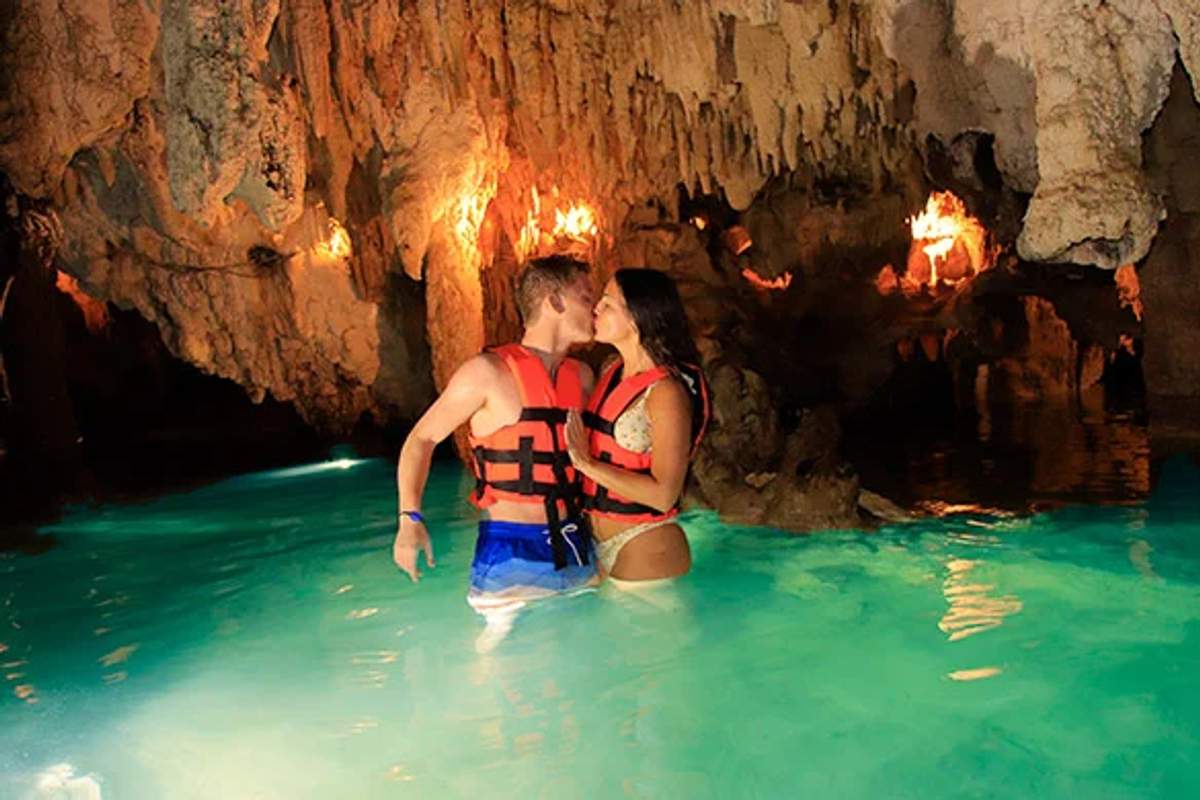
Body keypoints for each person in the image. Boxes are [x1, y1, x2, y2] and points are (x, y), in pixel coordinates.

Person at [392, 256, 598, 631]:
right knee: (503, 665)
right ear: (554, 302)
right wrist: (410, 519)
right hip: (510, 549)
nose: (595, 308)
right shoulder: (487, 373)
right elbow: (421, 439)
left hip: (576, 543)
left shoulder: (582, 378)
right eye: (586, 297)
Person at [565, 268, 710, 584]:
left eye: (607, 304)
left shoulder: (665, 393)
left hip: (647, 544)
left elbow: (664, 495)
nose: (596, 310)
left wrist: (586, 465)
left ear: (635, 319)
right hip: (597, 543)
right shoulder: (611, 372)